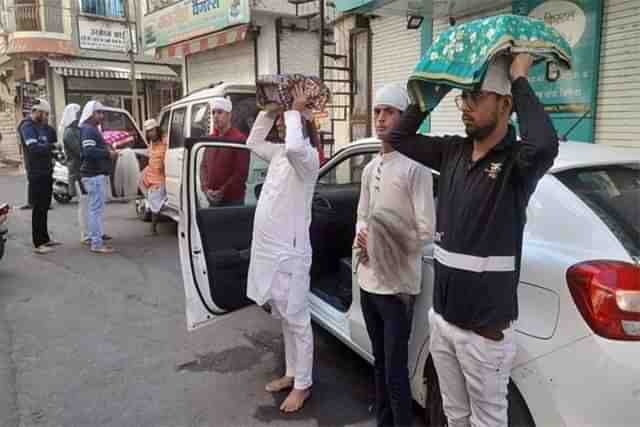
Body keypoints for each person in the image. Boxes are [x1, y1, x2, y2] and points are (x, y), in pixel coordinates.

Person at [388, 54, 559, 427]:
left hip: (483, 336)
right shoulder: (452, 151)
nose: (465, 105)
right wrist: (430, 93)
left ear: (505, 104)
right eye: (462, 97)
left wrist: (519, 77)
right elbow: (398, 137)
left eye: (475, 97)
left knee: (487, 422)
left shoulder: (517, 163)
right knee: (454, 415)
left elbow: (545, 144)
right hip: (443, 322)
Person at [355, 84, 435, 427]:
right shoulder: (370, 168)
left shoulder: (415, 168)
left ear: (404, 119)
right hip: (368, 281)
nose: (381, 118)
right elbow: (362, 213)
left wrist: (381, 238)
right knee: (379, 364)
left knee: (395, 371)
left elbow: (426, 229)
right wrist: (361, 233)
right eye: (377, 111)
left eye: (389, 112)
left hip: (397, 288)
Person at [246, 85, 320, 413]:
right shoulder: (278, 155)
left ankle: (303, 384)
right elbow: (252, 142)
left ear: (302, 124)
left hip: (290, 256)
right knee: (286, 321)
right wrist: (272, 109)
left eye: (289, 120)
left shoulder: (307, 158)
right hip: (270, 253)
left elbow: (293, 146)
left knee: (299, 321)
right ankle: (292, 373)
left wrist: (296, 108)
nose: (281, 127)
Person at [17, 98, 61, 254]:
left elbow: (49, 144)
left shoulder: (43, 127)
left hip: (46, 170)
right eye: (44, 114)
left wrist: (53, 149)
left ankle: (45, 238)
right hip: (35, 172)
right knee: (38, 208)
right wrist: (50, 147)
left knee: (45, 206)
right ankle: (38, 243)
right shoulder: (27, 126)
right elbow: (34, 147)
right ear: (37, 111)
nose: (46, 117)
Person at [80, 101, 118, 254]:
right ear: (90, 113)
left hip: (93, 175)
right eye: (98, 113)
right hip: (93, 175)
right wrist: (108, 153)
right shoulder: (89, 130)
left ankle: (93, 236)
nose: (101, 116)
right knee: (96, 210)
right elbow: (89, 151)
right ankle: (96, 243)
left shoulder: (91, 129)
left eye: (102, 113)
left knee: (94, 209)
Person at [199, 97, 250, 206]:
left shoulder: (239, 139)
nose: (215, 116)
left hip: (232, 202)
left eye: (220, 112)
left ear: (229, 115)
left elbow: (241, 173)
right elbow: (204, 166)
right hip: (212, 199)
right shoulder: (211, 139)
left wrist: (222, 191)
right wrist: (206, 189)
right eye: (213, 113)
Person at [140, 118, 168, 235]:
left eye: (152, 131)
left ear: (157, 130)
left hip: (161, 176)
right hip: (150, 173)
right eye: (148, 132)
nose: (151, 134)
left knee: (155, 197)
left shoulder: (165, 141)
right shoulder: (151, 143)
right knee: (141, 181)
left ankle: (153, 228)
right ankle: (150, 205)